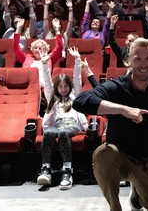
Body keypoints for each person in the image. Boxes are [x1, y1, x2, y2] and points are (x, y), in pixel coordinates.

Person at [72, 37, 148, 211]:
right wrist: (123, 109)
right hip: (119, 158)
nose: (143, 64)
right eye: (137, 59)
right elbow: (81, 101)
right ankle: (115, 208)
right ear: (129, 61)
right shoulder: (116, 86)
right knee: (103, 154)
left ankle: (138, 191)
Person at [36, 47, 88, 190]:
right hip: (58, 125)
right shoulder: (53, 99)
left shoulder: (75, 96)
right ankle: (46, 169)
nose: (63, 89)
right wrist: (44, 64)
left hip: (72, 124)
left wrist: (77, 60)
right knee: (48, 133)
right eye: (60, 87)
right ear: (57, 88)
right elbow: (47, 82)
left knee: (63, 132)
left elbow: (77, 78)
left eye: (66, 86)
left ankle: (67, 171)